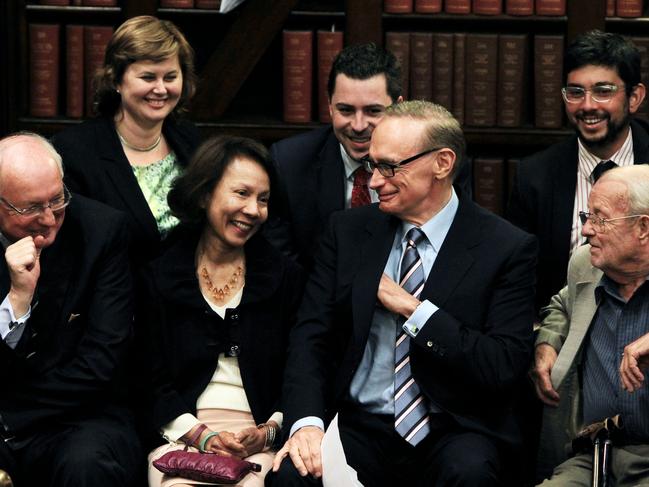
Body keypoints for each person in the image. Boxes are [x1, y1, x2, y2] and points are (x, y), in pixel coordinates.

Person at [268, 101, 537, 487]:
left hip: (453, 428)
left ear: (442, 163)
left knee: (470, 472)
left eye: (390, 167)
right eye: (372, 166)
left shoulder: (505, 247)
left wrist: (413, 309)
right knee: (290, 475)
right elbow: (311, 338)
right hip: (357, 423)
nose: (374, 181)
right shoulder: (347, 233)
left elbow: (501, 363)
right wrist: (307, 424)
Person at [143, 136, 304, 487]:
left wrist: (269, 432)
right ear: (204, 194)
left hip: (259, 441)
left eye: (263, 200)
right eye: (241, 193)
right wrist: (202, 436)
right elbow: (147, 375)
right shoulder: (161, 273)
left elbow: (300, 370)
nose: (253, 210)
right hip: (180, 438)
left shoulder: (284, 277)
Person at [0, 133, 141, 486]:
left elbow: (101, 360)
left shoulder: (101, 232)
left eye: (57, 200)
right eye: (30, 207)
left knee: (87, 464)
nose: (49, 219)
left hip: (79, 415)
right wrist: (17, 299)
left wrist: (13, 412)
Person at [265, 43, 472, 270]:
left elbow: (455, 250)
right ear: (330, 107)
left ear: (398, 107)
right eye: (346, 110)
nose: (359, 125)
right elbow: (284, 267)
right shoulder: (289, 163)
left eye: (373, 111)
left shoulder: (434, 162)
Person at [507, 30, 649, 313]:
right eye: (575, 93)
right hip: (563, 333)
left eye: (603, 91)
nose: (587, 106)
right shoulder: (534, 176)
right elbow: (517, 282)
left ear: (634, 97)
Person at [532, 165, 649, 485]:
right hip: (593, 452)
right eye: (588, 217)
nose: (586, 231)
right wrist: (547, 344)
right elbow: (561, 304)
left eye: (601, 219)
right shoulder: (586, 264)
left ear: (643, 227)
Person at [52, 15, 201, 264]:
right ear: (116, 80)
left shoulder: (192, 140)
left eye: (171, 77)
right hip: (117, 296)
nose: (161, 89)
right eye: (148, 77)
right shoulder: (73, 151)